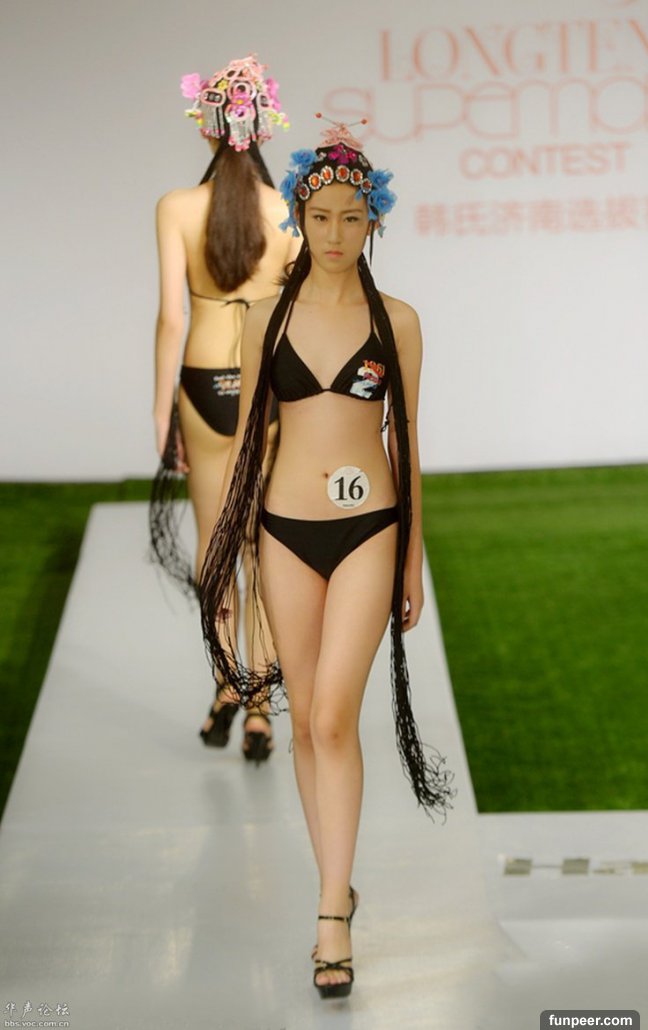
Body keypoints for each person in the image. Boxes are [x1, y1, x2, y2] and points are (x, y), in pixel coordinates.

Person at [199, 119, 455, 998]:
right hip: (282, 533)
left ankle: (330, 919)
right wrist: (227, 555)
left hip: (369, 531)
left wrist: (412, 559)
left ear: (373, 219)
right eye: (322, 216)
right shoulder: (265, 319)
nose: (337, 233)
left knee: (336, 720)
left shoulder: (398, 322)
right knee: (307, 721)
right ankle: (335, 886)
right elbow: (246, 447)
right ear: (299, 218)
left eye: (353, 217)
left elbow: (407, 442)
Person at [149, 54, 297, 763]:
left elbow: (171, 319)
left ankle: (225, 688)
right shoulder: (289, 210)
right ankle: (262, 706)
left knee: (217, 549)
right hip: (269, 390)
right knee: (263, 547)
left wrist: (161, 415)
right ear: (265, 126)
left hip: (204, 385)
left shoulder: (176, 208)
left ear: (207, 128)